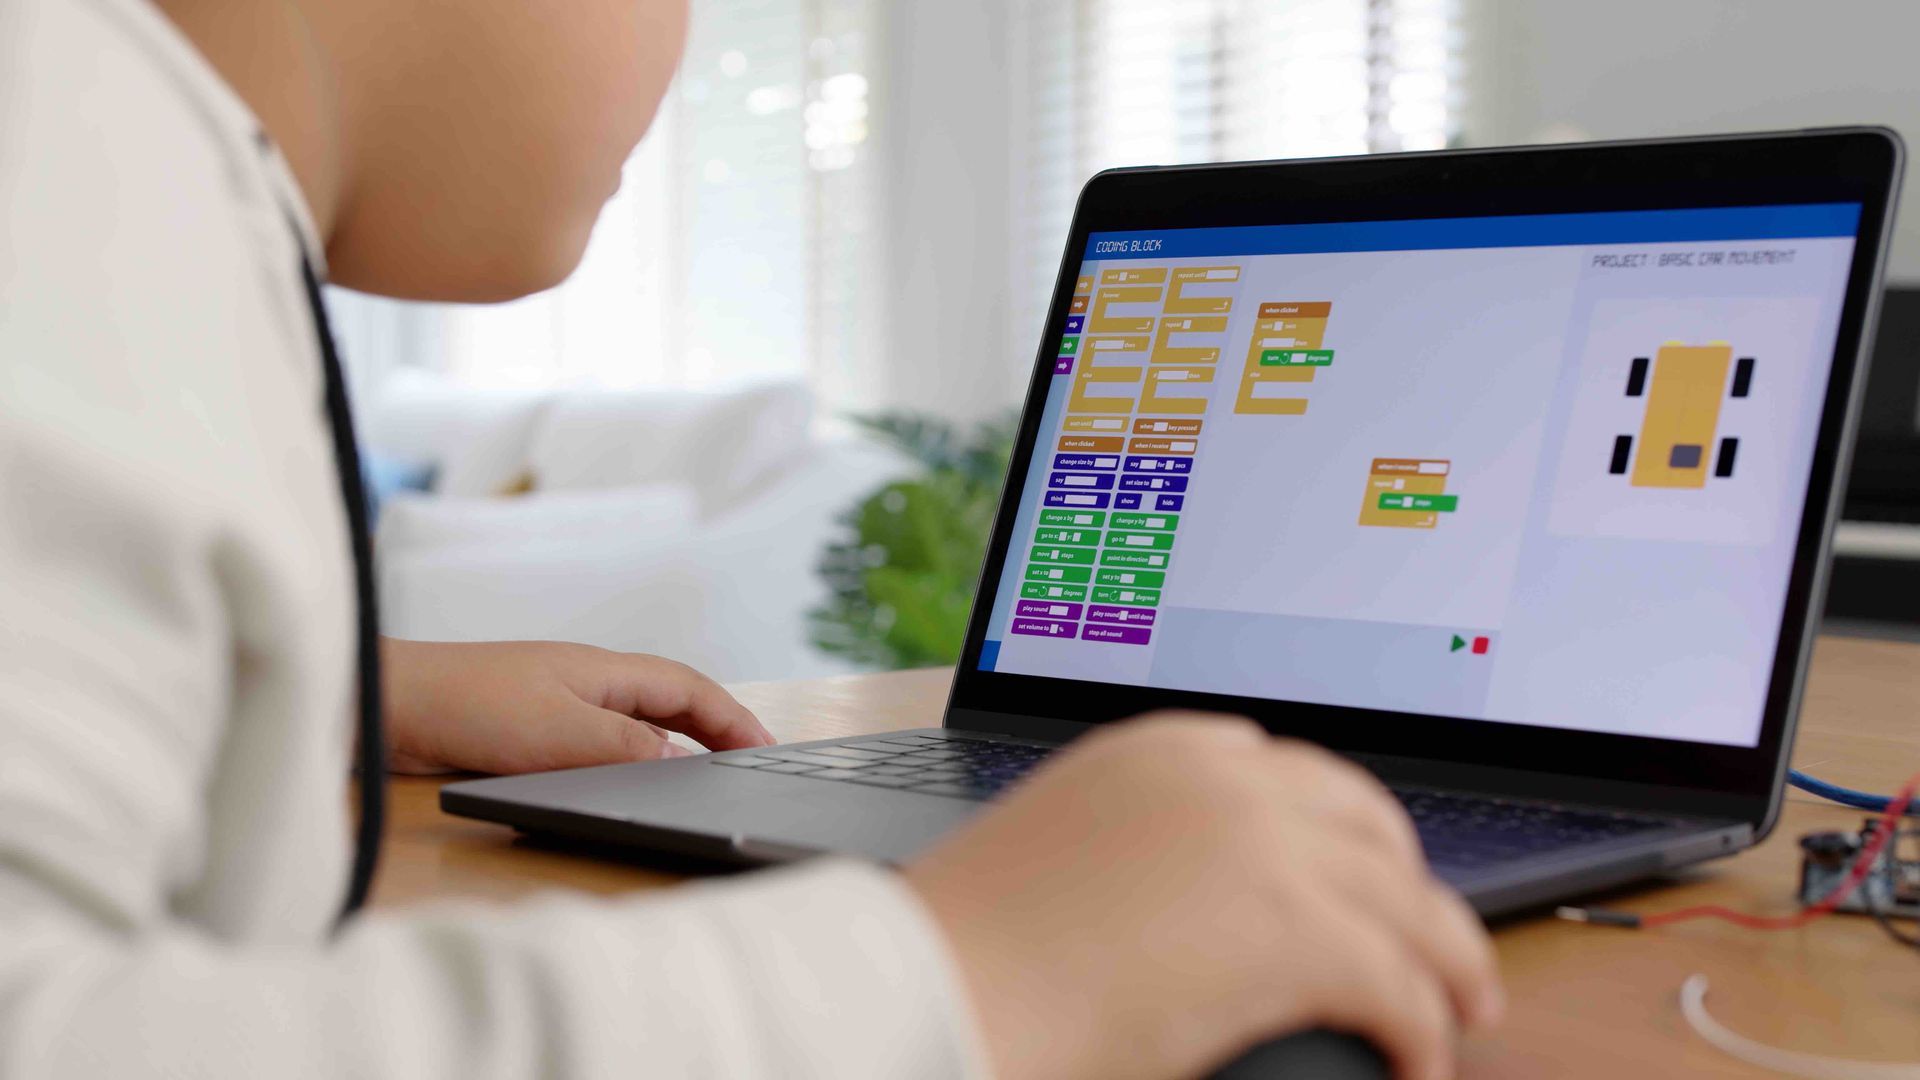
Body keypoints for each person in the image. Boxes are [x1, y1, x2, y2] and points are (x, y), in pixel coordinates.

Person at [0, 0, 1504, 1077]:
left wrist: (333, 685)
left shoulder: (124, 158)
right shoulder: (63, 147)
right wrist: (976, 978)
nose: (693, 46)